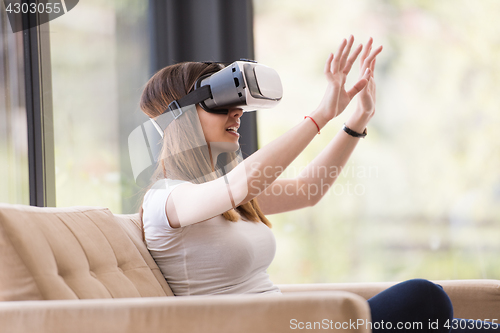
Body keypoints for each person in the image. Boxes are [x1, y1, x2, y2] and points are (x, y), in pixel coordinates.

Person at [137, 36, 499, 332]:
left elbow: (307, 190)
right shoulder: (166, 200)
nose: (238, 112)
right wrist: (322, 113)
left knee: (458, 322)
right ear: (179, 117)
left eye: (239, 103)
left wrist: (356, 121)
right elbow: (240, 184)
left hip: (294, 325)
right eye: (221, 101)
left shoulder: (221, 194)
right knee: (424, 298)